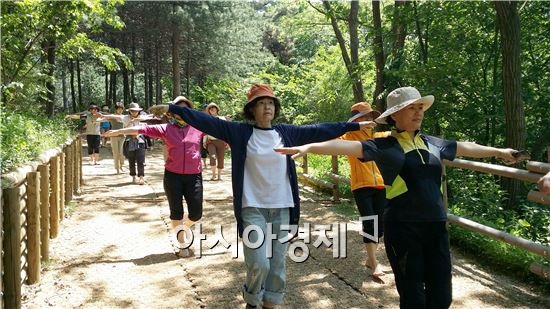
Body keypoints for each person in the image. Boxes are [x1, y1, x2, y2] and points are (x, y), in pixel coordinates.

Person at [274, 86, 523, 309]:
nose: (418, 112)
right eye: (410, 108)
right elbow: (345, 147)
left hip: (436, 226)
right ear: (394, 115)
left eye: (420, 107)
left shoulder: (433, 144)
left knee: (442, 298)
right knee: (413, 297)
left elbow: (465, 146)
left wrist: (500, 151)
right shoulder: (384, 146)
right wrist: (307, 147)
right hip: (403, 229)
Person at [148, 84, 375, 309]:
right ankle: (253, 300)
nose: (267, 108)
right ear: (252, 110)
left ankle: (270, 304)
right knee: (259, 263)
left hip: (283, 208)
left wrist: (352, 125)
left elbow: (319, 129)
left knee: (277, 266)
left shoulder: (286, 133)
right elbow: (207, 121)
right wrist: (173, 108)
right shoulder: (239, 132)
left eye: (270, 103)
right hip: (252, 207)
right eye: (261, 103)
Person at [103, 96, 204, 257]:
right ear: (172, 113)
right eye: (178, 110)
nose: (181, 113)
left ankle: (182, 227)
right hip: (173, 176)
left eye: (186, 110)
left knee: (196, 214)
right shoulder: (166, 128)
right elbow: (139, 129)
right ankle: (182, 244)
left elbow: (218, 126)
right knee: (176, 212)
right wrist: (119, 131)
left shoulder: (198, 127)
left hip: (194, 176)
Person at [340, 102, 390, 278]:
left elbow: (397, 136)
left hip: (381, 185)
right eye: (366, 116)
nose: (370, 119)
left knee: (380, 226)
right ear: (357, 119)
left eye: (371, 116)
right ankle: (374, 263)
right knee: (370, 222)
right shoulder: (348, 136)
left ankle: (371, 258)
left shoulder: (378, 136)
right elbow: (331, 140)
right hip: (361, 186)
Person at [99, 102, 153, 184]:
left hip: (140, 139)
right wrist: (103, 116)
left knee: (140, 159)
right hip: (129, 139)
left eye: (136, 111)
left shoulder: (141, 117)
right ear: (130, 111)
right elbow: (114, 116)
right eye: (132, 111)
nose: (134, 112)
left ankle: (141, 177)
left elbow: (150, 117)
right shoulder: (125, 117)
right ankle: (133, 177)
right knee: (131, 159)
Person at [204, 102, 228, 181]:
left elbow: (226, 131)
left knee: (221, 159)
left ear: (217, 109)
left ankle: (219, 176)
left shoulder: (222, 119)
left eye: (214, 108)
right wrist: (204, 141)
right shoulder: (207, 119)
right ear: (209, 110)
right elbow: (205, 132)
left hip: (221, 141)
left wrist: (228, 141)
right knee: (212, 157)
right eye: (210, 108)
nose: (212, 109)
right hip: (211, 142)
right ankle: (213, 175)